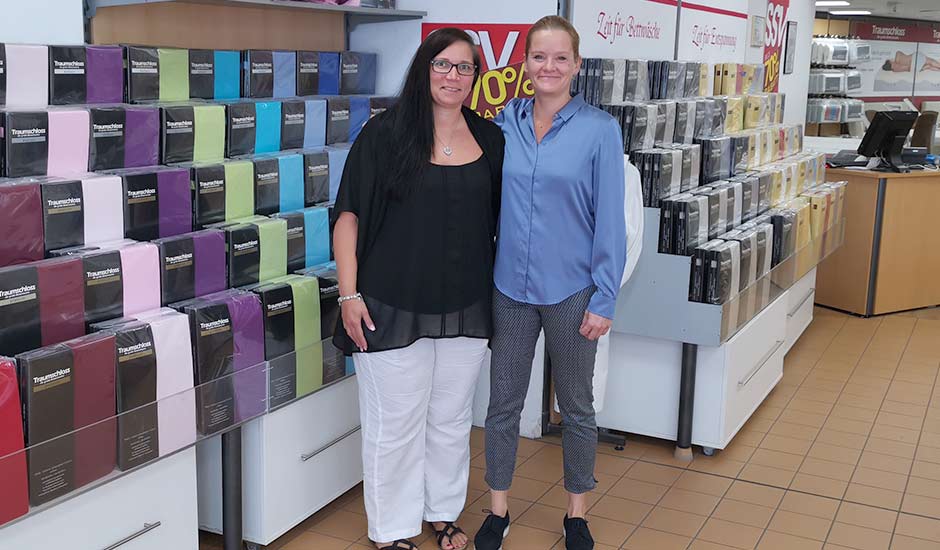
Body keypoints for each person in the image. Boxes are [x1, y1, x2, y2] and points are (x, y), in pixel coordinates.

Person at [331, 28, 504, 550]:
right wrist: (348, 295)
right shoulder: (384, 134)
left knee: (451, 419)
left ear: (475, 77)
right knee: (394, 423)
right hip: (389, 302)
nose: (453, 76)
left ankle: (442, 511)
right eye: (442, 64)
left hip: (466, 304)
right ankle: (392, 530)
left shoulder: (491, 139)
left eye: (465, 67)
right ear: (424, 68)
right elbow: (348, 216)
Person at [474, 15, 627, 550]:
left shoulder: (599, 130)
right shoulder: (503, 123)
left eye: (561, 58)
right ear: (525, 64)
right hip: (510, 289)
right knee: (502, 404)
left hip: (573, 292)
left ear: (577, 65)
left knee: (577, 407)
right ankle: (497, 509)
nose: (549, 67)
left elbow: (611, 222)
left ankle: (576, 514)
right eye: (539, 57)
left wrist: (605, 297)